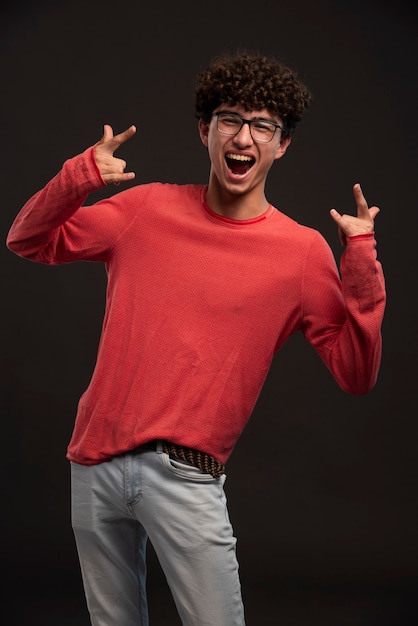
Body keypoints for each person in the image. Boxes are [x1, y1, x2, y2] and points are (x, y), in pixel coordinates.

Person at [6, 51, 386, 626]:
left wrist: (360, 260)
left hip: (187, 477)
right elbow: (27, 239)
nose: (245, 136)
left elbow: (356, 374)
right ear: (206, 130)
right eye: (231, 118)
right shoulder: (145, 209)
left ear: (281, 145)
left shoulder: (303, 252)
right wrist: (79, 174)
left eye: (264, 126)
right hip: (94, 465)